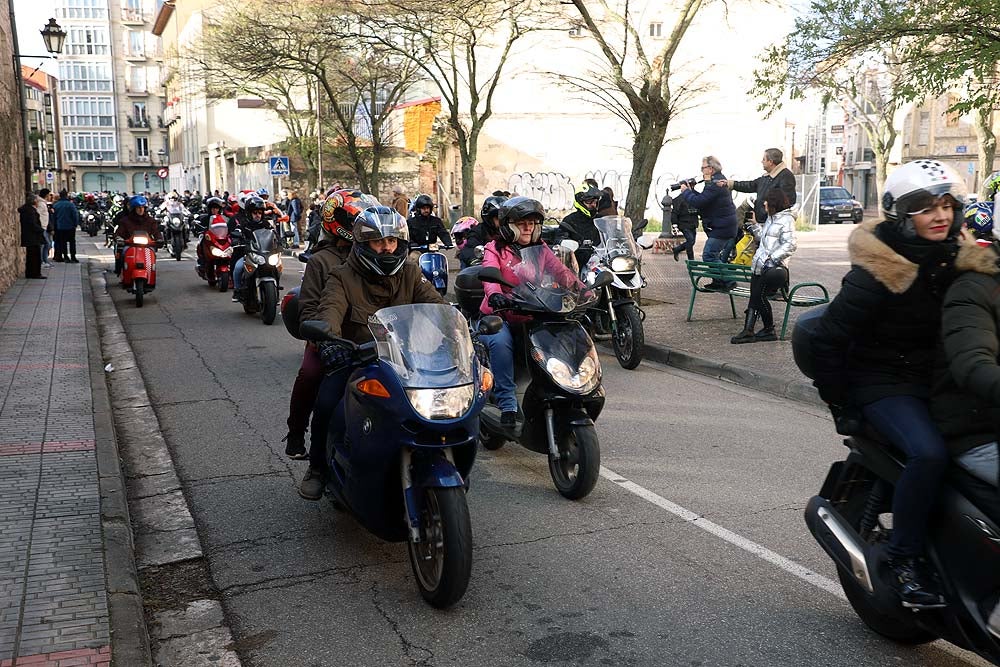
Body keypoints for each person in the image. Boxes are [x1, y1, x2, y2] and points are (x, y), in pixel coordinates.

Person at [810, 159, 968, 610]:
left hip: (936, 380)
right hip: (883, 382)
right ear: (902, 214)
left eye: (946, 204)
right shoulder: (880, 269)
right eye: (925, 208)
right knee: (929, 453)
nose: (939, 215)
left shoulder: (959, 259)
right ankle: (903, 559)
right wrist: (842, 404)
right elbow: (828, 339)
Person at [299, 205, 446, 499]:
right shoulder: (342, 276)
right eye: (379, 242)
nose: (386, 248)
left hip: (408, 359)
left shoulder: (411, 273)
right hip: (357, 359)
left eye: (391, 241)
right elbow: (330, 309)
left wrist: (463, 333)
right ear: (364, 244)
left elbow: (437, 307)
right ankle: (317, 467)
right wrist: (330, 342)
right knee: (328, 402)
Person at [283, 189, 373, 460]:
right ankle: (298, 433)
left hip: (371, 338)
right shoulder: (321, 261)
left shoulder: (375, 253)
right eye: (357, 222)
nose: (363, 228)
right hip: (330, 339)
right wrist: (324, 342)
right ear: (340, 222)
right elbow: (309, 308)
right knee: (310, 374)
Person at [477, 197, 581, 427]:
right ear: (507, 225)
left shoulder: (541, 248)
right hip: (501, 313)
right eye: (522, 223)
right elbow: (489, 273)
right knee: (500, 342)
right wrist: (495, 294)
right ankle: (507, 405)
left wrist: (582, 289)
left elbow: (561, 272)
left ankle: (563, 390)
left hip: (532, 311)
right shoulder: (494, 249)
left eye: (533, 223)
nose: (528, 228)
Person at [730, 189, 797, 343]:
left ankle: (763, 329)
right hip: (760, 265)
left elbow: (791, 244)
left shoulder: (787, 220)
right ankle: (756, 330)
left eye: (767, 201)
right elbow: (764, 239)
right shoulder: (771, 218)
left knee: (757, 296)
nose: (764, 203)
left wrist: (771, 259)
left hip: (774, 269)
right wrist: (754, 227)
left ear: (774, 202)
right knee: (755, 296)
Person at [679, 156, 738, 289]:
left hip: (722, 227)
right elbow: (705, 199)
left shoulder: (715, 184)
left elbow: (699, 202)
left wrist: (686, 192)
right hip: (723, 225)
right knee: (713, 254)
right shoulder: (715, 181)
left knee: (709, 255)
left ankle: (728, 281)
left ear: (710, 169)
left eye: (703, 168)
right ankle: (718, 282)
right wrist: (692, 190)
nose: (701, 170)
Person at [720, 148, 797, 225]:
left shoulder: (786, 177)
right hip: (760, 222)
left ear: (770, 162)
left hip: (771, 224)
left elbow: (786, 203)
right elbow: (750, 185)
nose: (761, 161)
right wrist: (731, 184)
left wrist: (767, 222)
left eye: (764, 159)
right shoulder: (766, 177)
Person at [231, 196, 272, 302]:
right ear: (249, 213)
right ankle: (237, 290)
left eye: (259, 212)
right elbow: (237, 232)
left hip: (264, 254)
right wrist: (236, 239)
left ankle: (274, 291)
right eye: (255, 212)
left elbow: (274, 235)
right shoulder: (244, 225)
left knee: (276, 266)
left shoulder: (266, 224)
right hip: (249, 254)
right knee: (238, 268)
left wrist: (282, 240)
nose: (257, 215)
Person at [555, 184, 602, 267]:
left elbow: (611, 236)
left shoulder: (600, 220)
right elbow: (559, 238)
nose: (593, 205)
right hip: (577, 264)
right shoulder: (569, 220)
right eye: (589, 201)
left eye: (595, 202)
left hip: (600, 262)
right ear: (580, 201)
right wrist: (566, 242)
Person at [458, 195, 507, 268]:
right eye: (498, 217)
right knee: (468, 271)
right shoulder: (478, 231)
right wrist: (474, 259)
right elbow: (469, 248)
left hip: (508, 266)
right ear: (489, 218)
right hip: (487, 267)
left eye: (505, 218)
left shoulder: (510, 231)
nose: (502, 221)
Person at [19, 193, 46, 279]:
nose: (38, 202)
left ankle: (31, 273)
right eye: (37, 201)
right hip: (33, 237)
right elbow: (32, 224)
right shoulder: (30, 211)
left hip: (30, 236)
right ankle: (35, 273)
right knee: (34, 256)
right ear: (34, 201)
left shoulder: (28, 210)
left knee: (31, 256)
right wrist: (40, 230)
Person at [52, 189, 81, 263]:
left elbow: (54, 217)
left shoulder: (56, 205)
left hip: (60, 227)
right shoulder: (70, 204)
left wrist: (54, 226)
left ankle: (65, 256)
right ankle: (73, 257)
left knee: (63, 242)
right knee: (72, 242)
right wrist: (75, 224)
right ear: (66, 195)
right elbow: (75, 215)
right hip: (70, 226)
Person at [670, 192, 700, 261]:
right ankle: (690, 260)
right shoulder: (679, 199)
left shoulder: (695, 196)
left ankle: (690, 261)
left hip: (693, 224)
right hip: (684, 224)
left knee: (691, 242)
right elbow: (674, 212)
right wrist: (674, 224)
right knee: (690, 241)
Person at [35, 188, 53, 267]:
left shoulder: (43, 203)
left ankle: (45, 261)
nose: (50, 196)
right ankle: (42, 261)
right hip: (42, 227)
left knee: (46, 244)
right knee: (45, 244)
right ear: (46, 195)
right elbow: (38, 215)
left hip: (44, 226)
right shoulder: (41, 204)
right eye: (49, 195)